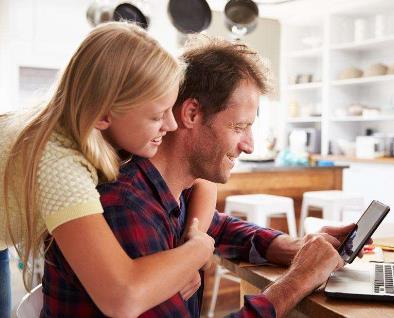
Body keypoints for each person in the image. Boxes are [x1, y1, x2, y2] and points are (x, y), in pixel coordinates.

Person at [42, 35, 356, 317]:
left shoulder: (170, 189)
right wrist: (299, 280)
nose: (249, 145)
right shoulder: (126, 207)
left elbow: (218, 226)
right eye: (239, 127)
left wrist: (291, 246)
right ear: (191, 114)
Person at [0, 22, 216, 317]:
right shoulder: (59, 164)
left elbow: (201, 180)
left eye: (170, 109)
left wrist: (183, 257)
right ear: (104, 114)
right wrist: (196, 253)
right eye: (156, 116)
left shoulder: (85, 125)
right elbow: (121, 297)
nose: (172, 124)